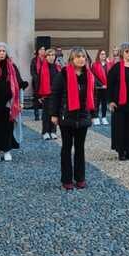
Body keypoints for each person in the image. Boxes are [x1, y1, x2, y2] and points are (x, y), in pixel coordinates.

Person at [50, 47, 95, 190]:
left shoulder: (89, 75)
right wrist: (54, 114)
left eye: (83, 57)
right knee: (66, 148)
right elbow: (55, 95)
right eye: (78, 57)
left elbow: (93, 96)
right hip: (67, 116)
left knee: (80, 148)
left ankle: (80, 178)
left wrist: (92, 114)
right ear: (71, 59)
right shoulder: (62, 74)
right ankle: (67, 179)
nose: (81, 59)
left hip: (83, 117)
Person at [91, 49, 111, 125]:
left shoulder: (108, 64)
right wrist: (101, 85)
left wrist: (107, 85)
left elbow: (110, 75)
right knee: (97, 103)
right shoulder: (95, 64)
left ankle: (104, 117)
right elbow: (93, 76)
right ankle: (96, 117)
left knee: (104, 103)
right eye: (102, 54)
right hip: (98, 87)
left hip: (106, 87)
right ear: (98, 55)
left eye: (104, 54)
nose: (103, 56)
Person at [30, 47, 47, 121]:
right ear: (38, 51)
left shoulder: (46, 59)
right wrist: (37, 79)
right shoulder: (34, 60)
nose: (43, 51)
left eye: (44, 49)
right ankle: (36, 115)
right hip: (36, 82)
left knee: (45, 98)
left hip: (45, 81)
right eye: (41, 49)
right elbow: (32, 71)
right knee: (36, 98)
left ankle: (44, 114)